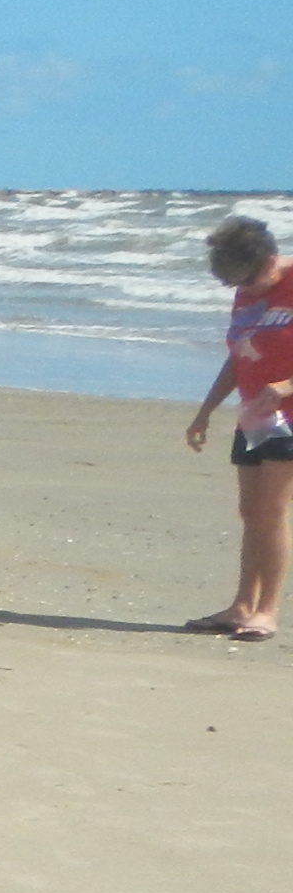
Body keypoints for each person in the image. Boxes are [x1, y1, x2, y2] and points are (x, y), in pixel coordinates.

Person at [184, 213, 293, 639]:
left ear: (270, 261)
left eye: (248, 281)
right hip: (253, 416)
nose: (243, 291)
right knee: (251, 513)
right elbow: (240, 356)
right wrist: (205, 411)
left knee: (273, 512)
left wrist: (286, 385)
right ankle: (241, 605)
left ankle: (267, 610)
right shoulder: (246, 294)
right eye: (234, 285)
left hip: (289, 419)